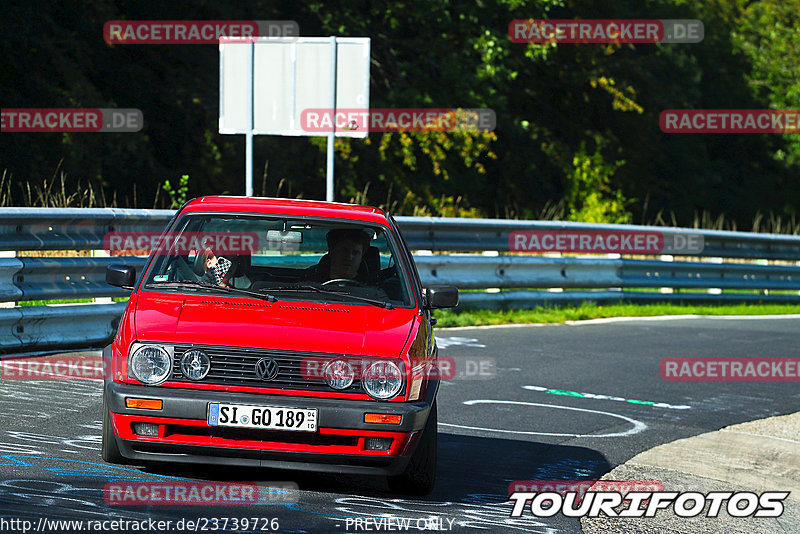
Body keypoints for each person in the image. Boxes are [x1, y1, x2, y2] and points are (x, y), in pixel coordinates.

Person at [304, 228, 371, 283]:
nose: (349, 257)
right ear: (332, 251)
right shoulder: (310, 280)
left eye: (355, 253)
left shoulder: (371, 286)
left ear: (362, 255)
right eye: (344, 251)